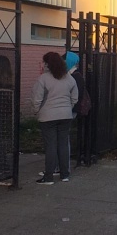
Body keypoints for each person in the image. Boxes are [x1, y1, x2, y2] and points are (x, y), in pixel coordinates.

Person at [32, 52, 78, 184]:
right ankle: (64, 175)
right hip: (65, 116)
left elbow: (37, 98)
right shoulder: (69, 78)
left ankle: (49, 177)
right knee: (63, 145)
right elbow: (74, 97)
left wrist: (37, 111)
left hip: (48, 116)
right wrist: (67, 107)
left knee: (51, 146)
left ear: (48, 64)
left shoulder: (43, 79)